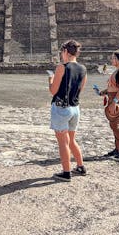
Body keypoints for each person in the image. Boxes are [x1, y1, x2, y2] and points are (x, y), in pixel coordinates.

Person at [48, 40, 88, 182]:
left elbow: (53, 91)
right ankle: (80, 166)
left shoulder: (62, 67)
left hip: (61, 108)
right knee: (71, 140)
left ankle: (66, 172)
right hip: (75, 108)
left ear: (65, 51)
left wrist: (50, 79)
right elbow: (80, 90)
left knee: (63, 142)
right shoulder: (83, 69)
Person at [99, 50, 119, 159]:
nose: (112, 60)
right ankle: (118, 148)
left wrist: (114, 102)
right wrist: (104, 92)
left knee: (115, 125)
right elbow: (114, 86)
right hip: (113, 98)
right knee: (113, 125)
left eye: (114, 58)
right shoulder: (117, 71)